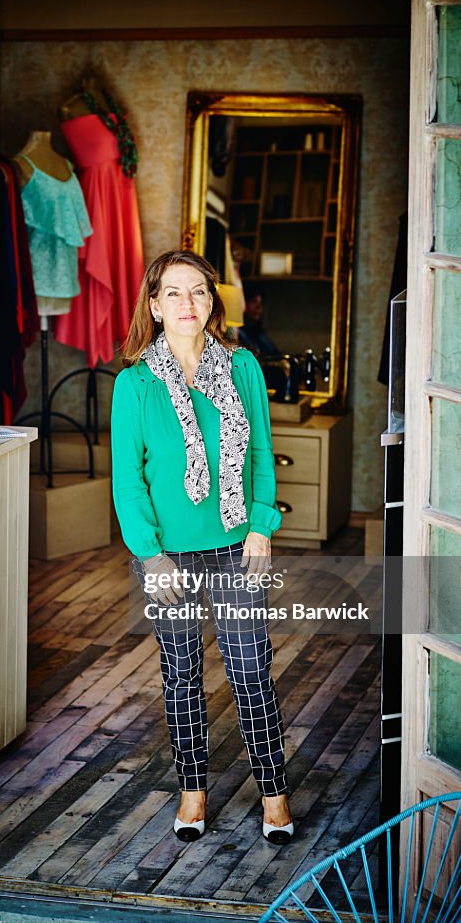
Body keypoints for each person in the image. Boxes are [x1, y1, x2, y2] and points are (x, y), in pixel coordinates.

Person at [110, 250, 294, 845]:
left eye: (198, 292)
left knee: (250, 672)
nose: (188, 303)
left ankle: (274, 794)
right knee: (181, 672)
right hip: (168, 554)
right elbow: (128, 481)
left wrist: (262, 526)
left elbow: (261, 453)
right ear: (154, 305)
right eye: (174, 293)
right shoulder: (134, 384)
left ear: (211, 302)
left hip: (238, 545)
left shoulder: (243, 369)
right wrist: (151, 555)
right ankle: (193, 792)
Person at [237, 285, 282, 359]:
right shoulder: (238, 333)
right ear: (243, 303)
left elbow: (276, 355)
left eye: (260, 302)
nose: (258, 307)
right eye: (253, 301)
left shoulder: (259, 334)